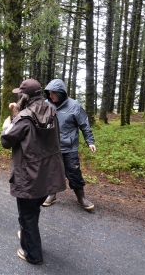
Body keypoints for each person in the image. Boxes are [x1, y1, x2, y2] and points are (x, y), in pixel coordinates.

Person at [1, 78, 66, 265]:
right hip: (47, 173)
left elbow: (7, 141)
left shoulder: (24, 118)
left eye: (21, 94)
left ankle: (33, 254)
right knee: (34, 208)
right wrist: (19, 110)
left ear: (26, 96)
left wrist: (8, 126)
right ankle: (29, 234)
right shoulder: (52, 110)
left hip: (28, 174)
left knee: (27, 214)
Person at [42, 79, 96, 210]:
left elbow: (84, 124)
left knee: (74, 172)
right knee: (51, 171)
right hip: (51, 147)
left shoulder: (74, 105)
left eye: (52, 93)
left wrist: (90, 141)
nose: (50, 96)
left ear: (60, 93)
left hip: (69, 147)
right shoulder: (45, 104)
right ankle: (51, 195)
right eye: (48, 93)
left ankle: (81, 197)